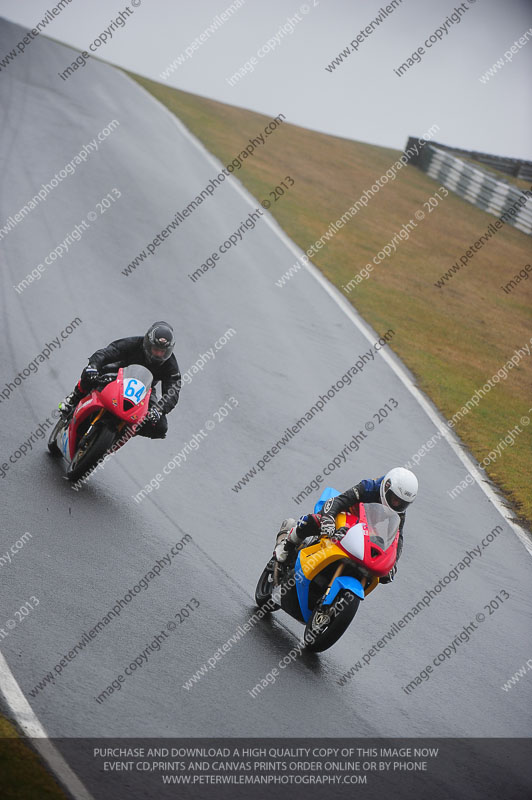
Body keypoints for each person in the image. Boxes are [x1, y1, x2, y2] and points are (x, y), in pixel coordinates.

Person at [274, 467, 418, 582]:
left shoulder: (399, 512)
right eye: (394, 499)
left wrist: (392, 563)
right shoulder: (369, 487)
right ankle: (287, 544)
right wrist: (328, 519)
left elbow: (397, 538)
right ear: (387, 487)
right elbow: (339, 501)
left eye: (402, 503)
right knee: (313, 520)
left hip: (365, 529)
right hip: (343, 517)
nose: (397, 504)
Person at [59, 321, 181, 439]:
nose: (158, 354)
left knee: (160, 427)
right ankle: (74, 398)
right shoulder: (134, 343)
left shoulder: (171, 365)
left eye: (162, 351)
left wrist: (159, 409)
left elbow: (173, 391)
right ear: (148, 344)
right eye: (156, 349)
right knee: (91, 373)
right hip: (118, 373)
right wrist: (94, 366)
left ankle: (121, 434)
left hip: (146, 389)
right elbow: (108, 352)